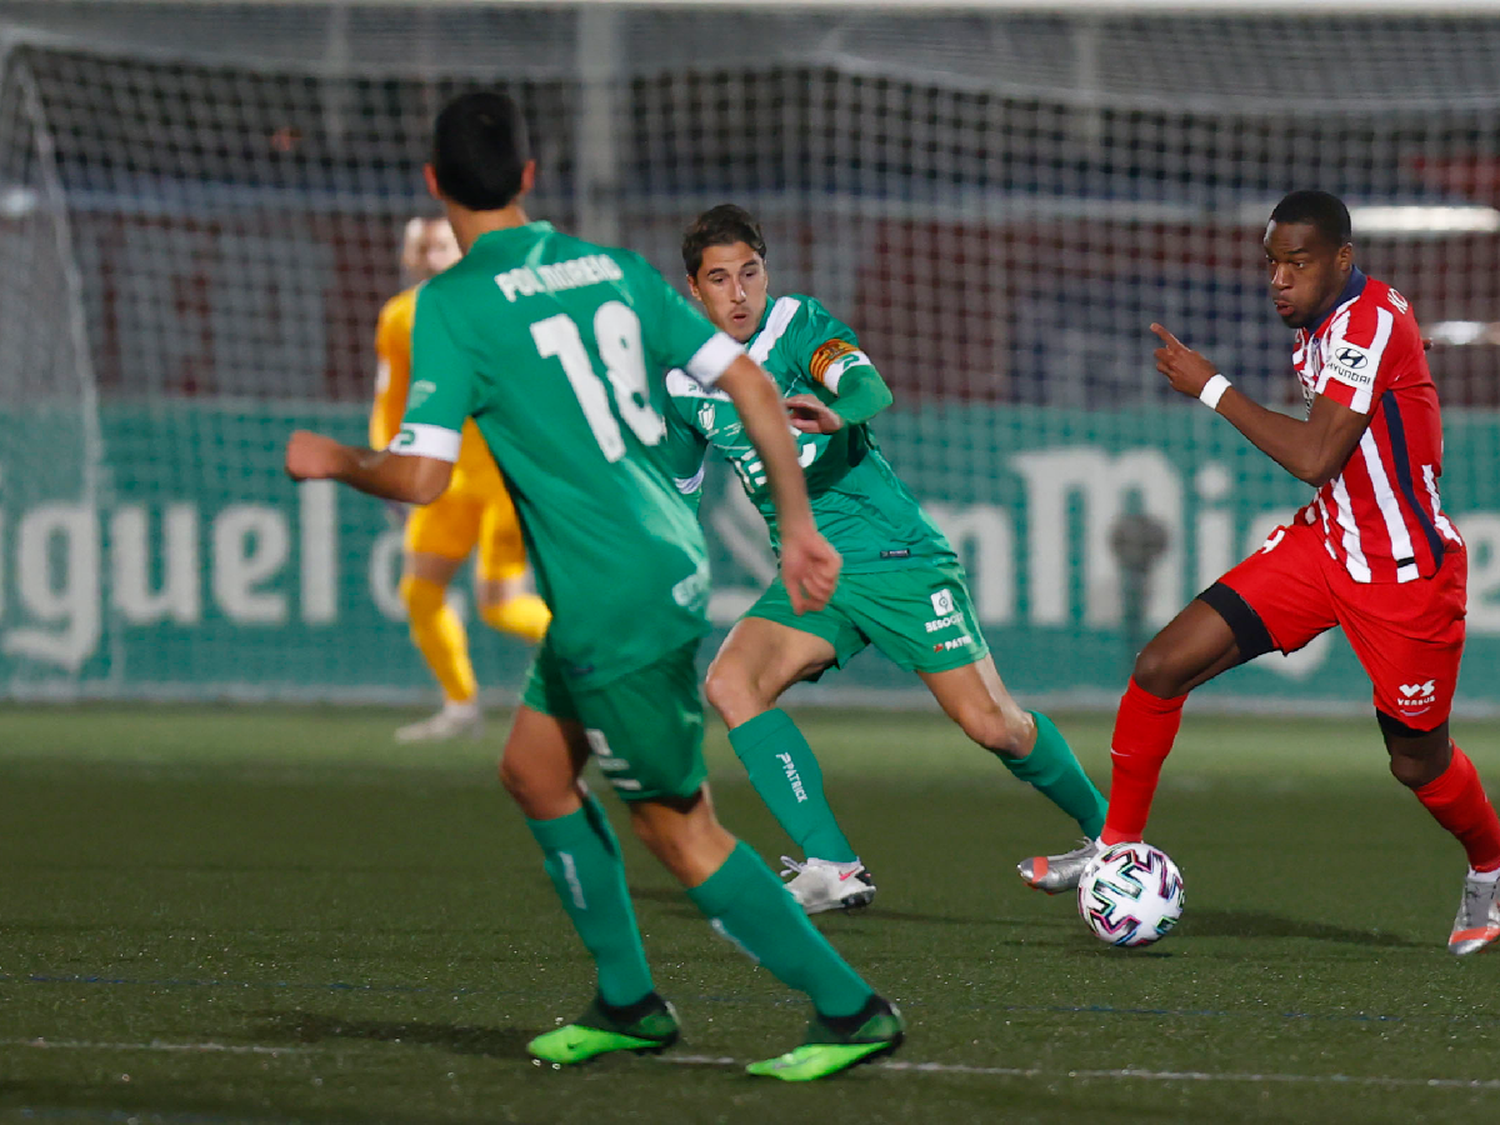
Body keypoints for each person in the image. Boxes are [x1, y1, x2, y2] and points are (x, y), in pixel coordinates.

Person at [284, 92, 903, 1079]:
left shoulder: (452, 304)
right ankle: (628, 1001)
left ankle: (852, 1009)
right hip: (646, 563)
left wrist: (333, 458)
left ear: (435, 183)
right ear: (530, 177)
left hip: (614, 593)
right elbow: (747, 382)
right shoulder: (610, 267)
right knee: (533, 770)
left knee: (677, 828)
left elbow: (421, 478)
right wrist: (793, 525)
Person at [1020, 190, 1500, 956]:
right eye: (1272, 263)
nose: (1279, 278)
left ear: (1343, 259)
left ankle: (1491, 865)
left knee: (1417, 760)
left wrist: (1209, 386)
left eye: (1297, 263)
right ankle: (1114, 847)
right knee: (1160, 666)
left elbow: (1315, 455)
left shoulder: (1367, 321)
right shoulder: (1331, 318)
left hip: (1404, 576)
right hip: (1325, 546)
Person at [661, 204, 1107, 913]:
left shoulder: (797, 326)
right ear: (694, 288)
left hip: (893, 555)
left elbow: (870, 387)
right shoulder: (684, 381)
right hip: (815, 575)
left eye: (750, 272)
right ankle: (832, 864)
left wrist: (841, 412)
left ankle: (1114, 837)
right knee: (732, 682)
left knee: (993, 724)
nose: (740, 293)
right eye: (721, 279)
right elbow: (675, 490)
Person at [370, 216, 551, 743]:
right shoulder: (399, 317)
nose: (432, 257)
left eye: (442, 246)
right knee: (419, 591)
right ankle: (460, 706)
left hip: (501, 476)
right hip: (439, 477)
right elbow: (389, 401)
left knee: (500, 605)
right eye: (423, 248)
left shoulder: (503, 307)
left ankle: (602, 661)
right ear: (410, 257)